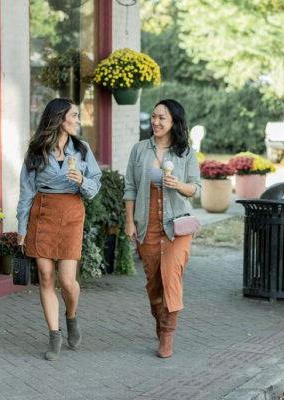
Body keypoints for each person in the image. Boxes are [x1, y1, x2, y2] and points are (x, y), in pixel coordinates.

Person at [17, 98, 101, 361]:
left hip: (72, 212)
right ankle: (54, 335)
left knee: (67, 281)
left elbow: (95, 185)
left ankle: (71, 316)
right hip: (42, 213)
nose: (78, 120)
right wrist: (21, 228)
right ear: (59, 119)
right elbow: (26, 191)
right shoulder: (36, 150)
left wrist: (83, 181)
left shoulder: (83, 150)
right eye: (74, 116)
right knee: (45, 275)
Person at [123, 99, 201, 358]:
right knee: (154, 283)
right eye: (154, 117)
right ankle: (160, 320)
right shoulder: (139, 150)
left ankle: (168, 335)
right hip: (148, 225)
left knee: (171, 277)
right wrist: (129, 221)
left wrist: (178, 185)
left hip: (177, 226)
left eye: (162, 118)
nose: (156, 122)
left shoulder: (186, 153)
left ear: (174, 123)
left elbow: (195, 189)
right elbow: (130, 188)